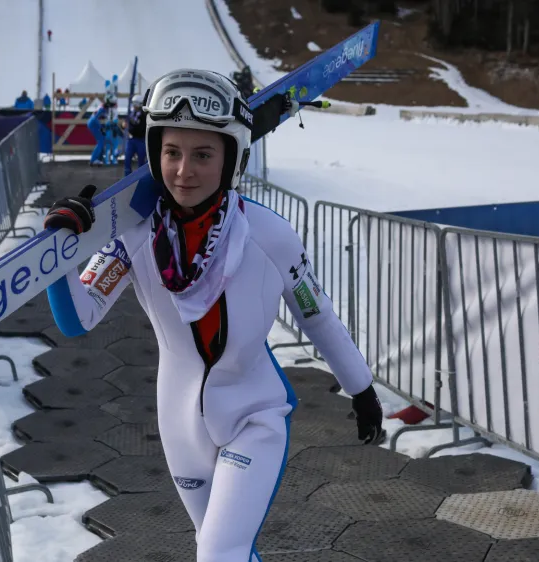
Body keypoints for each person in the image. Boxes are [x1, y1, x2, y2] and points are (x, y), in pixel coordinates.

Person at [41, 69, 384, 562]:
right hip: (181, 425)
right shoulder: (133, 236)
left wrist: (362, 389)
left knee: (219, 554)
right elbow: (79, 317)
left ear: (231, 159)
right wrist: (61, 253)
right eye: (172, 152)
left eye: (203, 154)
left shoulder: (270, 235)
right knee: (223, 550)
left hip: (255, 415)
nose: (184, 171)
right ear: (155, 155)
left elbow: (318, 316)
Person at [123, 95, 147, 176]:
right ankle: (127, 177)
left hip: (141, 140)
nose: (134, 106)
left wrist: (131, 124)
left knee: (141, 161)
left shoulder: (144, 115)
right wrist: (126, 122)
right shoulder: (132, 113)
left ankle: (141, 178)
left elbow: (139, 128)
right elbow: (127, 121)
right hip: (131, 139)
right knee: (127, 158)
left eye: (136, 104)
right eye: (133, 104)